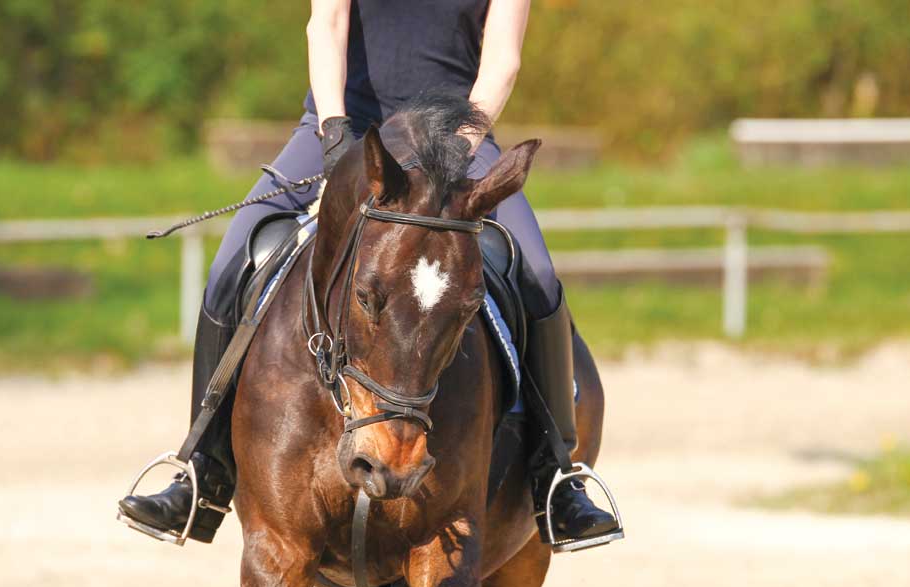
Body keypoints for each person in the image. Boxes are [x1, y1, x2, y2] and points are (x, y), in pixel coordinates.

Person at [118, 0, 618, 545]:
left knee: (537, 275)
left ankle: (556, 477)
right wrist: (335, 133)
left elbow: (502, 63)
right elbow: (326, 24)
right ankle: (203, 472)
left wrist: (457, 147)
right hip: (344, 126)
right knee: (231, 263)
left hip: (454, 139)